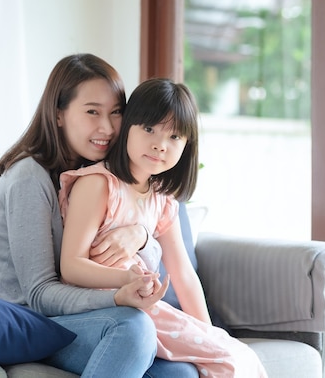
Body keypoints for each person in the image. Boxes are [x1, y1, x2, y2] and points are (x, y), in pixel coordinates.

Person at [0, 54, 199, 378]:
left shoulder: (97, 175)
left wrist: (140, 235)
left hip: (75, 319)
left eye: (115, 113)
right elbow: (41, 295)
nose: (107, 127)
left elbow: (148, 246)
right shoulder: (29, 179)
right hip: (27, 322)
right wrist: (117, 296)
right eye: (92, 112)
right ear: (58, 115)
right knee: (134, 329)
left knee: (180, 373)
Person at [58, 78, 269, 377]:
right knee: (229, 360)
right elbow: (71, 266)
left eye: (174, 137)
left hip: (140, 304)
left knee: (232, 353)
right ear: (128, 125)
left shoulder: (162, 199)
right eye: (149, 129)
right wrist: (125, 278)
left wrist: (208, 332)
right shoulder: (98, 184)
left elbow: (182, 273)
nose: (160, 144)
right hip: (105, 311)